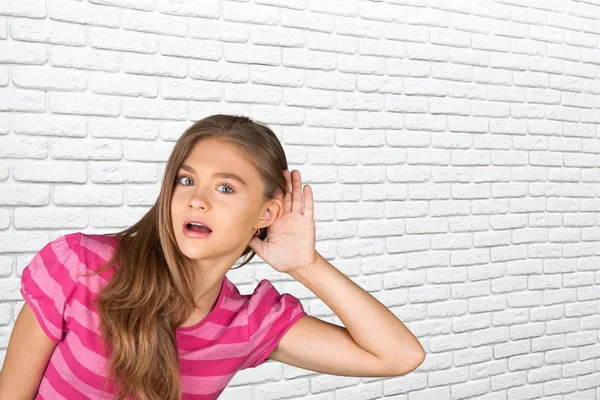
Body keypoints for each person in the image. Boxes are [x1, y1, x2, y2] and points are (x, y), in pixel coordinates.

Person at [0, 114, 425, 400]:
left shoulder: (247, 324)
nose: (197, 200)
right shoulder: (81, 266)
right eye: (186, 180)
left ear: (267, 212)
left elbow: (398, 356)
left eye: (226, 188)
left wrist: (305, 265)